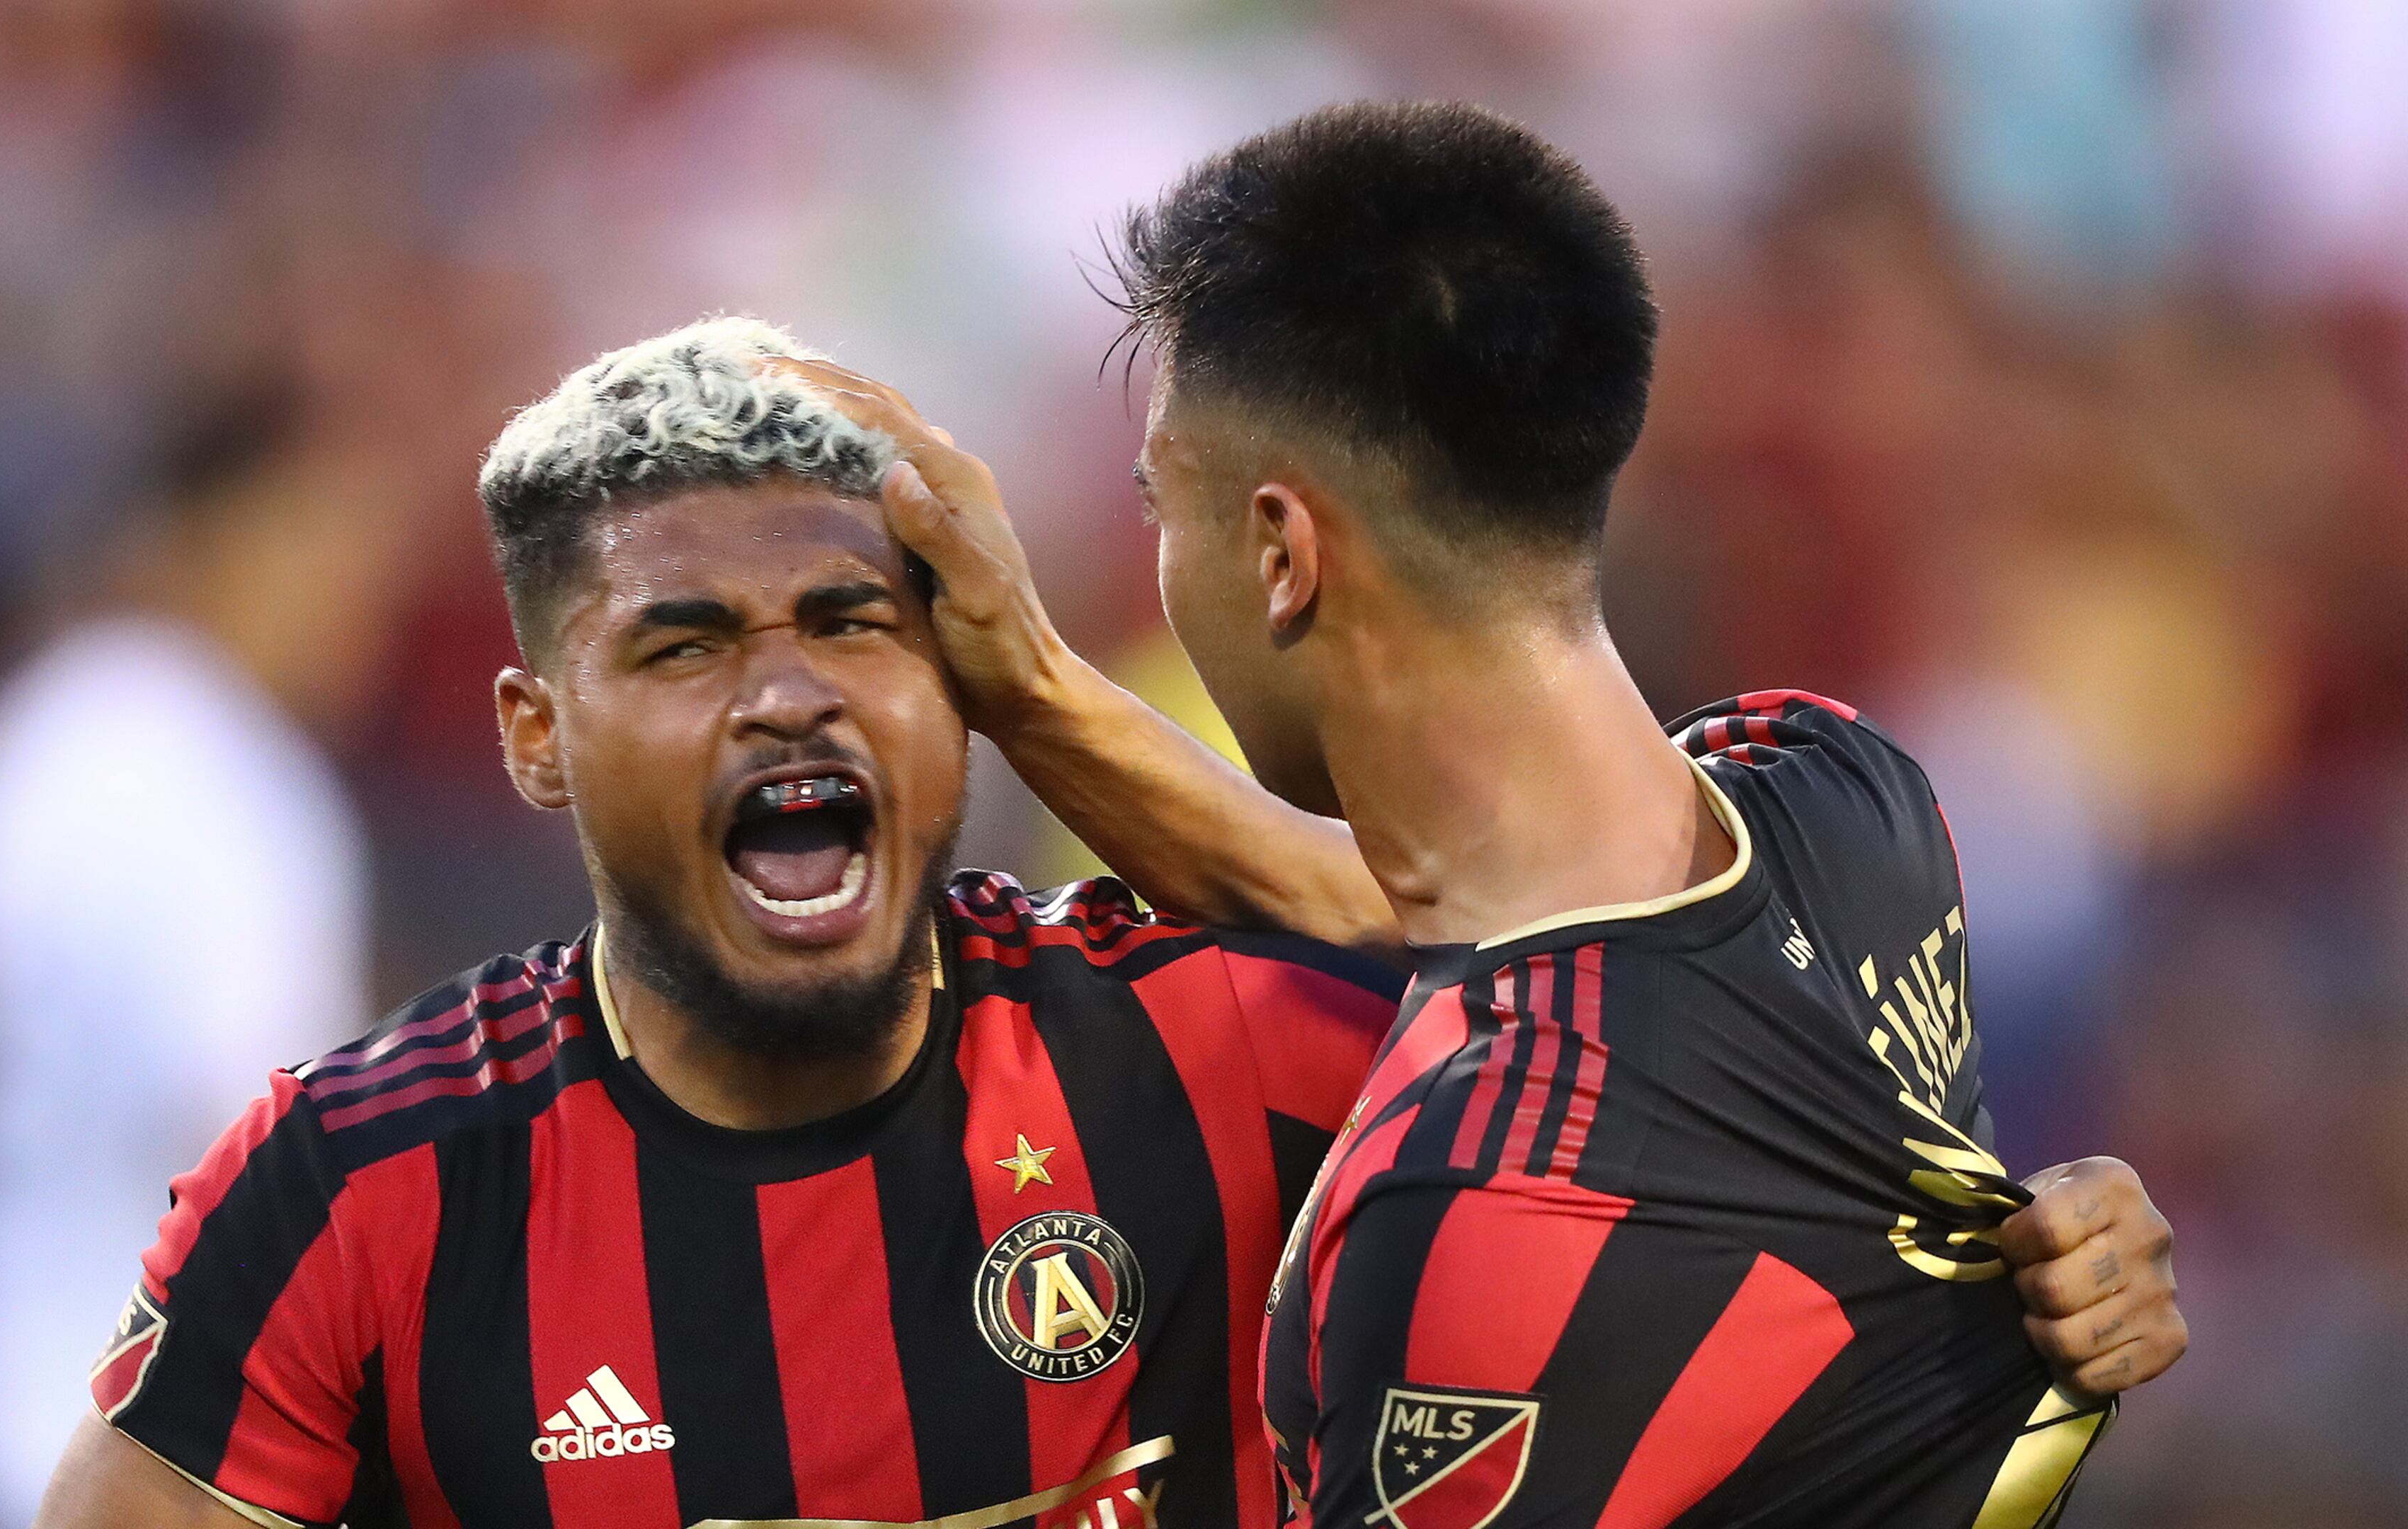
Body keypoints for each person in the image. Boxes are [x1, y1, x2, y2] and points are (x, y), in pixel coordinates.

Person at [34, 319, 2175, 1529]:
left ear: (950, 680)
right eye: (682, 645)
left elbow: (1595, 1002)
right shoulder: (363, 1190)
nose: (787, 691)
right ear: (530, 733)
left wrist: (2017, 1253)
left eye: (855, 624)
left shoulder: (1201, 1049)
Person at [782, 102, 2189, 1529]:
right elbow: (1424, 907)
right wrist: (1024, 686)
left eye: (1166, 509)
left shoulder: (1466, 1207)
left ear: (1279, 550)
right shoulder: (1840, 793)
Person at [0, 392, 409, 1529]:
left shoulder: (18, 739)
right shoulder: (223, 778)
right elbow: (271, 1155)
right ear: (215, 539)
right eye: (322, 546)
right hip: (166, 1469)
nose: (356, 603)